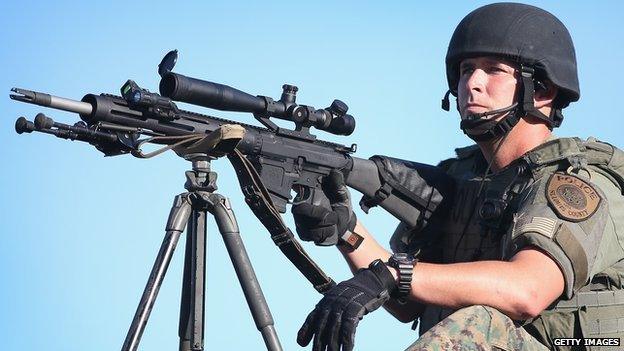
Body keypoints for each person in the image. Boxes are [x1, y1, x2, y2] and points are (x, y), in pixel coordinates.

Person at [290, 3, 624, 350]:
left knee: (480, 324)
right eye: (466, 70)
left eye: (493, 70)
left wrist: (393, 274)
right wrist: (347, 231)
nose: (472, 84)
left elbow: (527, 290)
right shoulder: (461, 179)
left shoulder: (577, 183)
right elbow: (409, 304)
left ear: (541, 90)